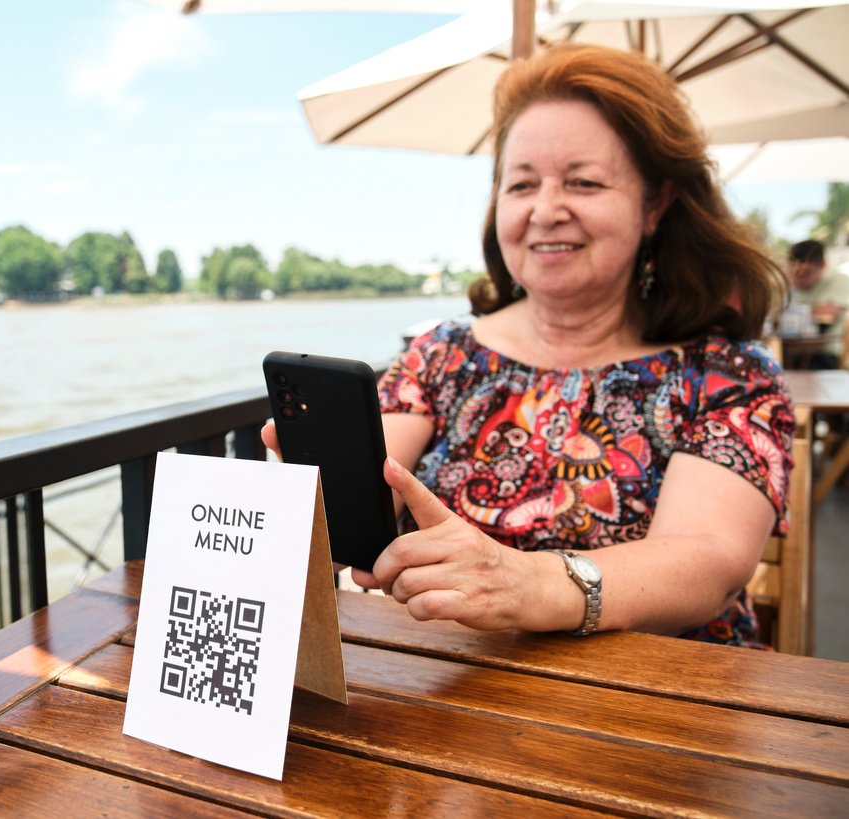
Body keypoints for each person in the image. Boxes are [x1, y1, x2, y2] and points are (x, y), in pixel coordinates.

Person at [266, 44, 794, 648]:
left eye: (583, 182)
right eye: (521, 184)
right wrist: (325, 500)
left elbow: (710, 561)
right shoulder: (444, 354)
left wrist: (529, 584)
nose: (546, 210)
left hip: (670, 702)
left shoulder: (728, 374)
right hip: (454, 692)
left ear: (656, 204)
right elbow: (374, 486)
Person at [787, 239, 849, 368]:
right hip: (789, 350)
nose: (799, 278)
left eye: (806, 273)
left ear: (823, 265)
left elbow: (828, 313)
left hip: (824, 354)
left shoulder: (838, 280)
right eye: (795, 273)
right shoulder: (787, 285)